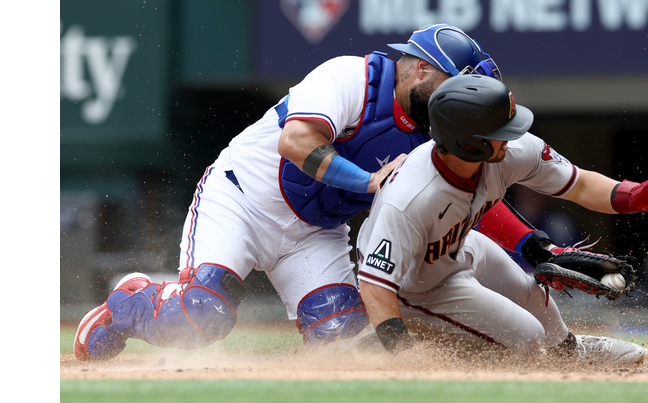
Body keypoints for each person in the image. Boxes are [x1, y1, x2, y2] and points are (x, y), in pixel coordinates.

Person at [74, 24, 518, 361]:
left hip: (316, 233)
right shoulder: (352, 77)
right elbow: (296, 143)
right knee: (202, 314)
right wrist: (369, 182)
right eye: (454, 87)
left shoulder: (438, 130)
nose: (460, 100)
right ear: (421, 69)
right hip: (242, 200)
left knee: (340, 343)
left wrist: (530, 246)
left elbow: (469, 198)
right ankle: (130, 300)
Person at [354, 74, 648, 363]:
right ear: (468, 144)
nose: (512, 134)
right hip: (411, 286)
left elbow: (580, 184)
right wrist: (403, 354)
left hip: (458, 246)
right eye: (501, 129)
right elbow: (375, 284)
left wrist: (630, 196)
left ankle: (567, 355)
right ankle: (393, 345)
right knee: (526, 338)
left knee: (535, 300)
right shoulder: (410, 198)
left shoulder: (507, 151)